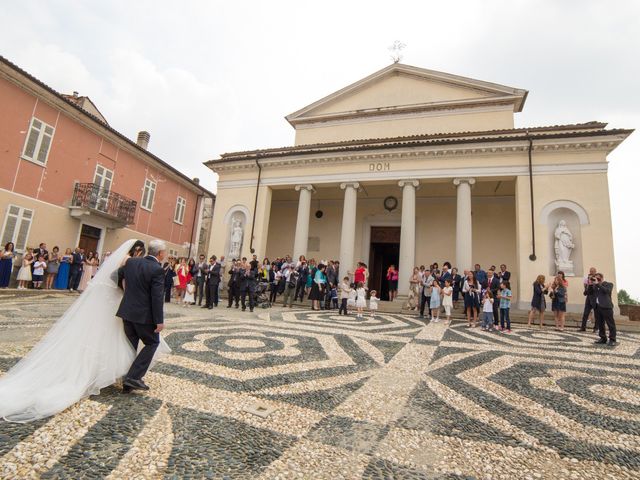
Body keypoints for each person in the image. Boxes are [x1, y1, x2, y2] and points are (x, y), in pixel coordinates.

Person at [0, 239, 171, 422]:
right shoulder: (157, 269)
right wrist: (159, 321)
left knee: (130, 343)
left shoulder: (131, 263)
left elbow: (114, 276)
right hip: (143, 315)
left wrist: (126, 292)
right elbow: (156, 297)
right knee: (152, 342)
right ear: (160, 254)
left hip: (126, 311)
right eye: (165, 253)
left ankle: (126, 378)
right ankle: (132, 378)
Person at [589, 273, 617, 346]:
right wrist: (590, 284)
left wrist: (598, 284)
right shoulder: (594, 286)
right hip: (597, 307)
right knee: (600, 324)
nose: (597, 280)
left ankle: (612, 339)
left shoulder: (609, 284)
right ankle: (603, 338)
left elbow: (607, 291)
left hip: (606, 307)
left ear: (602, 278)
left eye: (598, 279)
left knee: (610, 324)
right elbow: (588, 293)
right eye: (596, 279)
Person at [580, 267, 598, 332]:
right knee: (586, 312)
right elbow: (585, 287)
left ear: (595, 271)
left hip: (595, 296)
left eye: (593, 271)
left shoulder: (597, 278)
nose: (591, 272)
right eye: (590, 271)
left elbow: (598, 286)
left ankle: (596, 328)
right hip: (589, 296)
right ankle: (583, 327)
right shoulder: (587, 278)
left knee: (596, 313)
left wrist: (594, 282)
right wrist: (587, 283)